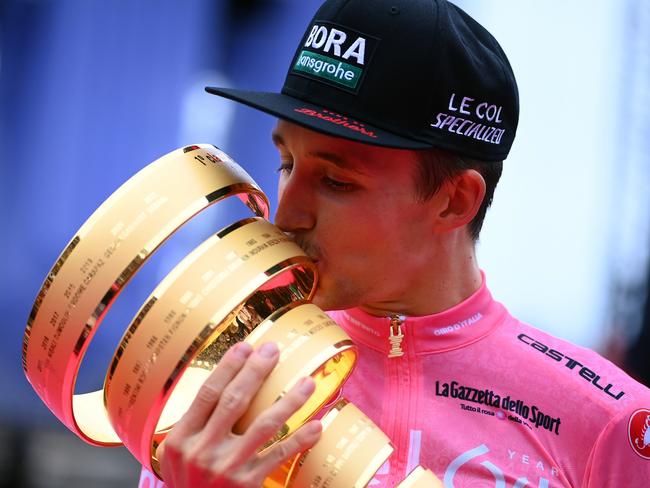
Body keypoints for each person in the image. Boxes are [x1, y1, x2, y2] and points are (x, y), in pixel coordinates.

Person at [139, 0, 650, 486]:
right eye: (286, 164)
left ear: (455, 202)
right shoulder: (220, 382)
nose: (287, 215)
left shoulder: (610, 422)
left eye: (336, 181)